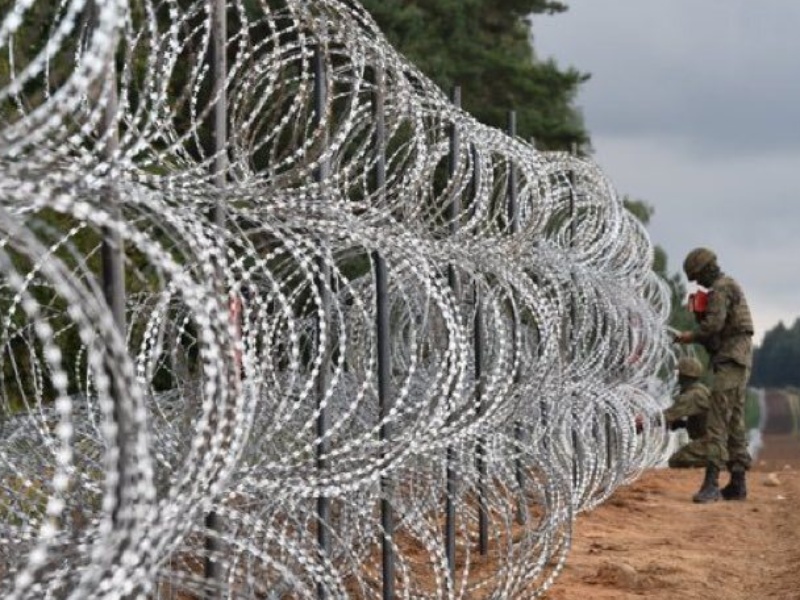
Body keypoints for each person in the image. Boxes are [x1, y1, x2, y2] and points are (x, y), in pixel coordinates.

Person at [674, 247, 754, 503]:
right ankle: (738, 483)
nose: (699, 283)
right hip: (737, 357)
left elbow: (714, 326)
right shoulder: (728, 285)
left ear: (707, 269)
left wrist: (690, 334)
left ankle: (711, 483)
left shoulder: (720, 288)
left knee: (718, 420)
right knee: (735, 420)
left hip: (731, 357)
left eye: (698, 277)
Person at [664, 356, 711, 469]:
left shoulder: (692, 395)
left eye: (679, 374)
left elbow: (667, 416)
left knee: (677, 460)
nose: (677, 377)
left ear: (684, 376)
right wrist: (682, 424)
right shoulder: (701, 390)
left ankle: (718, 464)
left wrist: (644, 421)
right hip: (716, 440)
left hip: (712, 442)